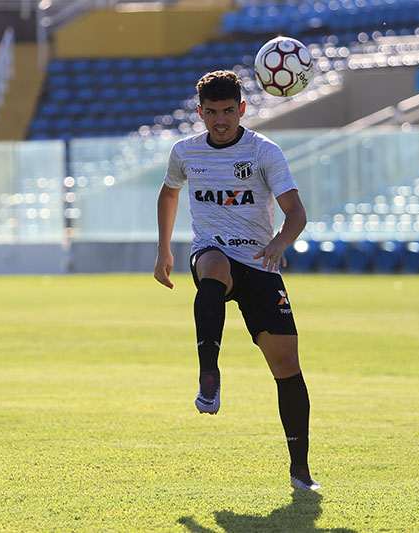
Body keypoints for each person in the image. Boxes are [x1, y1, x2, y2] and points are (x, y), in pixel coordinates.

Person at [153, 70, 320, 491]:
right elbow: (169, 192)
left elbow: (296, 213)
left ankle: (300, 469)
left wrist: (280, 242)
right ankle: (209, 373)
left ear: (242, 109)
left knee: (286, 365)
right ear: (201, 112)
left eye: (228, 111)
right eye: (212, 112)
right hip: (213, 251)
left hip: (261, 262)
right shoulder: (185, 152)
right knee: (213, 267)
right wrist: (164, 249)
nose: (221, 120)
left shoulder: (265, 152)